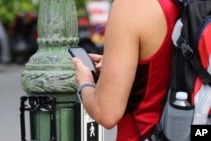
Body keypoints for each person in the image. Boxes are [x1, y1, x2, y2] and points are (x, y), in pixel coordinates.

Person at [72, 0, 180, 140]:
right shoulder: (185, 5)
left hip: (144, 134)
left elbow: (106, 113)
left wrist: (85, 82)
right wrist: (119, 65)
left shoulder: (130, 5)